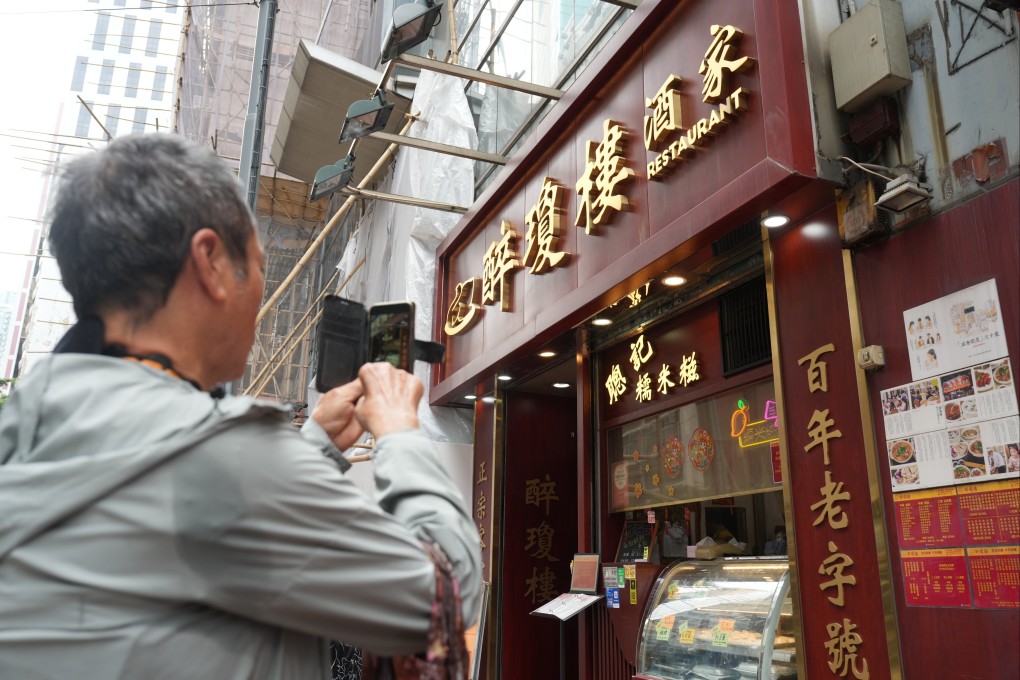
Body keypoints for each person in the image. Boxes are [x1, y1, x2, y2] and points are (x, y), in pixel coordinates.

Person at [0, 134, 480, 679]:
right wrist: (400, 432)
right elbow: (445, 597)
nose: (259, 291)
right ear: (208, 261)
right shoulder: (219, 455)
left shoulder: (29, 430)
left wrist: (313, 449)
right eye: (255, 265)